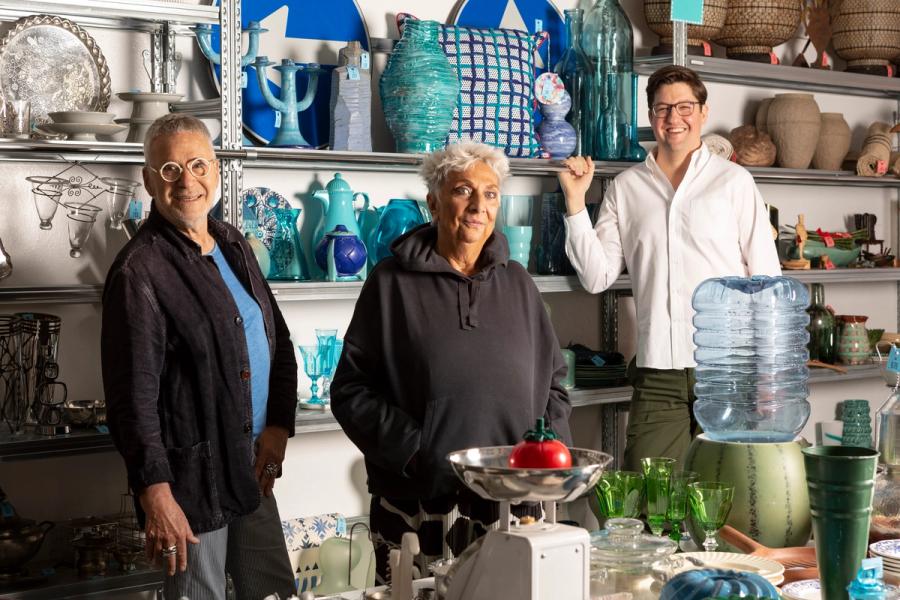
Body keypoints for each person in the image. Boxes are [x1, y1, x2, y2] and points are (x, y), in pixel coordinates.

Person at [331, 141, 572, 582]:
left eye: (491, 193)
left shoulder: (519, 283)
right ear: (434, 203)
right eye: (464, 191)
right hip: (419, 505)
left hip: (513, 503)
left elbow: (555, 381)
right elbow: (349, 391)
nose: (479, 205)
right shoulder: (390, 284)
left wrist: (544, 452)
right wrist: (416, 451)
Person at [101, 113, 297, 600]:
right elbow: (132, 400)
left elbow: (279, 342)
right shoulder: (139, 272)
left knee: (272, 592)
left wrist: (277, 426)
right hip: (189, 487)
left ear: (215, 170)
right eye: (169, 171)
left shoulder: (232, 243)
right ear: (149, 181)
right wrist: (155, 494)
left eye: (197, 165)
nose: (186, 181)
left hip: (250, 470)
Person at [558, 65, 781, 471]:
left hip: (729, 369)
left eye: (684, 107)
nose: (673, 119)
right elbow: (596, 277)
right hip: (658, 372)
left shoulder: (734, 182)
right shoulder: (626, 188)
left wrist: (767, 371)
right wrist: (575, 204)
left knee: (729, 498)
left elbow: (766, 283)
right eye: (662, 109)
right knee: (650, 498)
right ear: (650, 116)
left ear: (703, 112)